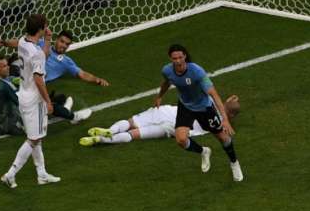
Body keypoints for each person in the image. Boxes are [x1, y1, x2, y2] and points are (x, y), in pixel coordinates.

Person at [155, 44, 243, 182]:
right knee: (181, 140)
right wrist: (160, 96)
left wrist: (225, 119)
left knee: (223, 138)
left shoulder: (197, 72)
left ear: (185, 56)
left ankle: (234, 163)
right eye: (174, 58)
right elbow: (167, 82)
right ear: (170, 58)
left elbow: (214, 95)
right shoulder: (167, 70)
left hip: (204, 108)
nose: (178, 61)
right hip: (185, 106)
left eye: (180, 57)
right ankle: (204, 151)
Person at [1, 15, 60, 188]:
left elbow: (17, 44)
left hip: (23, 95)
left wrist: (47, 40)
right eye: (46, 26)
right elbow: (39, 79)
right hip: (35, 99)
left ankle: (42, 174)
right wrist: (48, 101)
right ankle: (10, 174)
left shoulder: (24, 42)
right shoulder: (36, 53)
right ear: (40, 29)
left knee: (36, 138)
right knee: (33, 139)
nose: (47, 28)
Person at [0, 53, 89, 135]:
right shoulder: (5, 86)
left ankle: (59, 106)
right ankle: (73, 117)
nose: (8, 68)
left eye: (7, 65)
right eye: (4, 66)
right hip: (14, 127)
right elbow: (22, 104)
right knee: (45, 105)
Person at [80, 95, 241, 146]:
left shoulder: (209, 101)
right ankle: (99, 140)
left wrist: (229, 101)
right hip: (175, 128)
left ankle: (111, 130)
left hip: (167, 112)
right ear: (232, 116)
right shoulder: (218, 123)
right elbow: (226, 133)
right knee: (134, 134)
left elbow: (219, 100)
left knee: (131, 122)